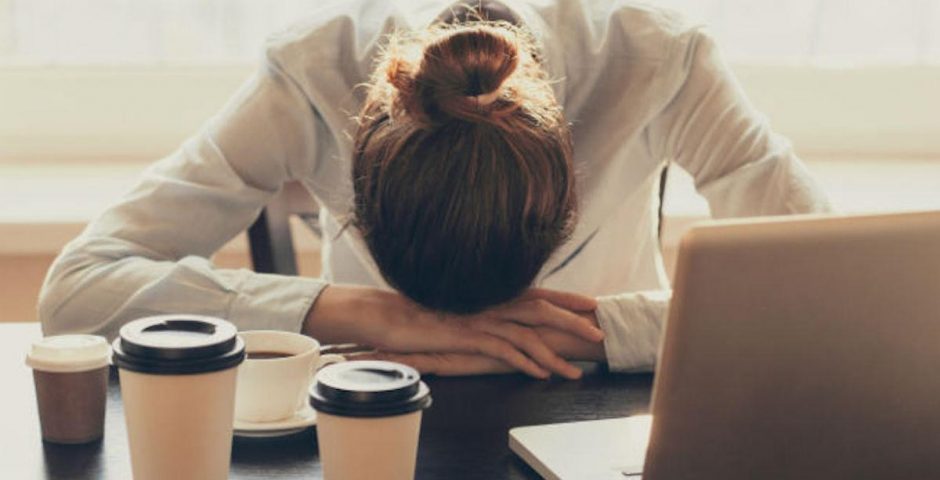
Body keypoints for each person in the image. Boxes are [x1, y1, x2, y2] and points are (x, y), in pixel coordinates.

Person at [38, 0, 830, 379]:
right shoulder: (312, 70)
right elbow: (78, 289)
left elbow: (836, 293)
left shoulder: (663, 61)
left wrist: (592, 331)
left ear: (567, 192)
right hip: (381, 397)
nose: (472, 326)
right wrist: (368, 312)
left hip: (605, 411)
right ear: (361, 169)